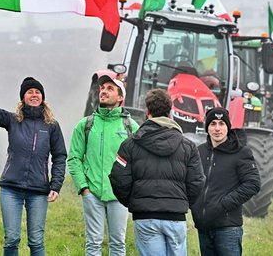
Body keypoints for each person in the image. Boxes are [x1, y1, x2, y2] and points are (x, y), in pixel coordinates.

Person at [0, 70, 67, 256]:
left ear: (42, 97)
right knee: (11, 239)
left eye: (37, 92)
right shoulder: (12, 120)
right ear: (23, 97)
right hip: (11, 189)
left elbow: (59, 156)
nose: (34, 95)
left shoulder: (52, 126)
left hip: (39, 191)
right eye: (29, 92)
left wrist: (56, 185)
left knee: (36, 241)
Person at [109, 89, 205, 256]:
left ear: (147, 112)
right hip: (176, 217)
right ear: (170, 112)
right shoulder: (188, 146)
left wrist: (135, 201)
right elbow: (197, 182)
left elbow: (118, 178)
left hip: (145, 217)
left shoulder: (130, 144)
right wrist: (181, 202)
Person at [68, 75, 139, 256]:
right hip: (92, 193)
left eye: (110, 88)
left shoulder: (131, 126)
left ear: (120, 97)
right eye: (103, 88)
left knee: (118, 244)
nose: (104, 91)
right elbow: (74, 158)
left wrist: (130, 188)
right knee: (93, 244)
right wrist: (83, 188)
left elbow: (139, 161)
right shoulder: (86, 124)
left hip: (120, 196)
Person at [191, 107, 261, 256]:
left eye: (222, 124)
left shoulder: (242, 152)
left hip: (228, 228)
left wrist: (224, 204)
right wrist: (195, 207)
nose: (217, 128)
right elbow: (191, 181)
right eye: (213, 124)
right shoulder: (199, 152)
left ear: (228, 127)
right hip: (203, 227)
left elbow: (253, 184)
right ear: (207, 127)